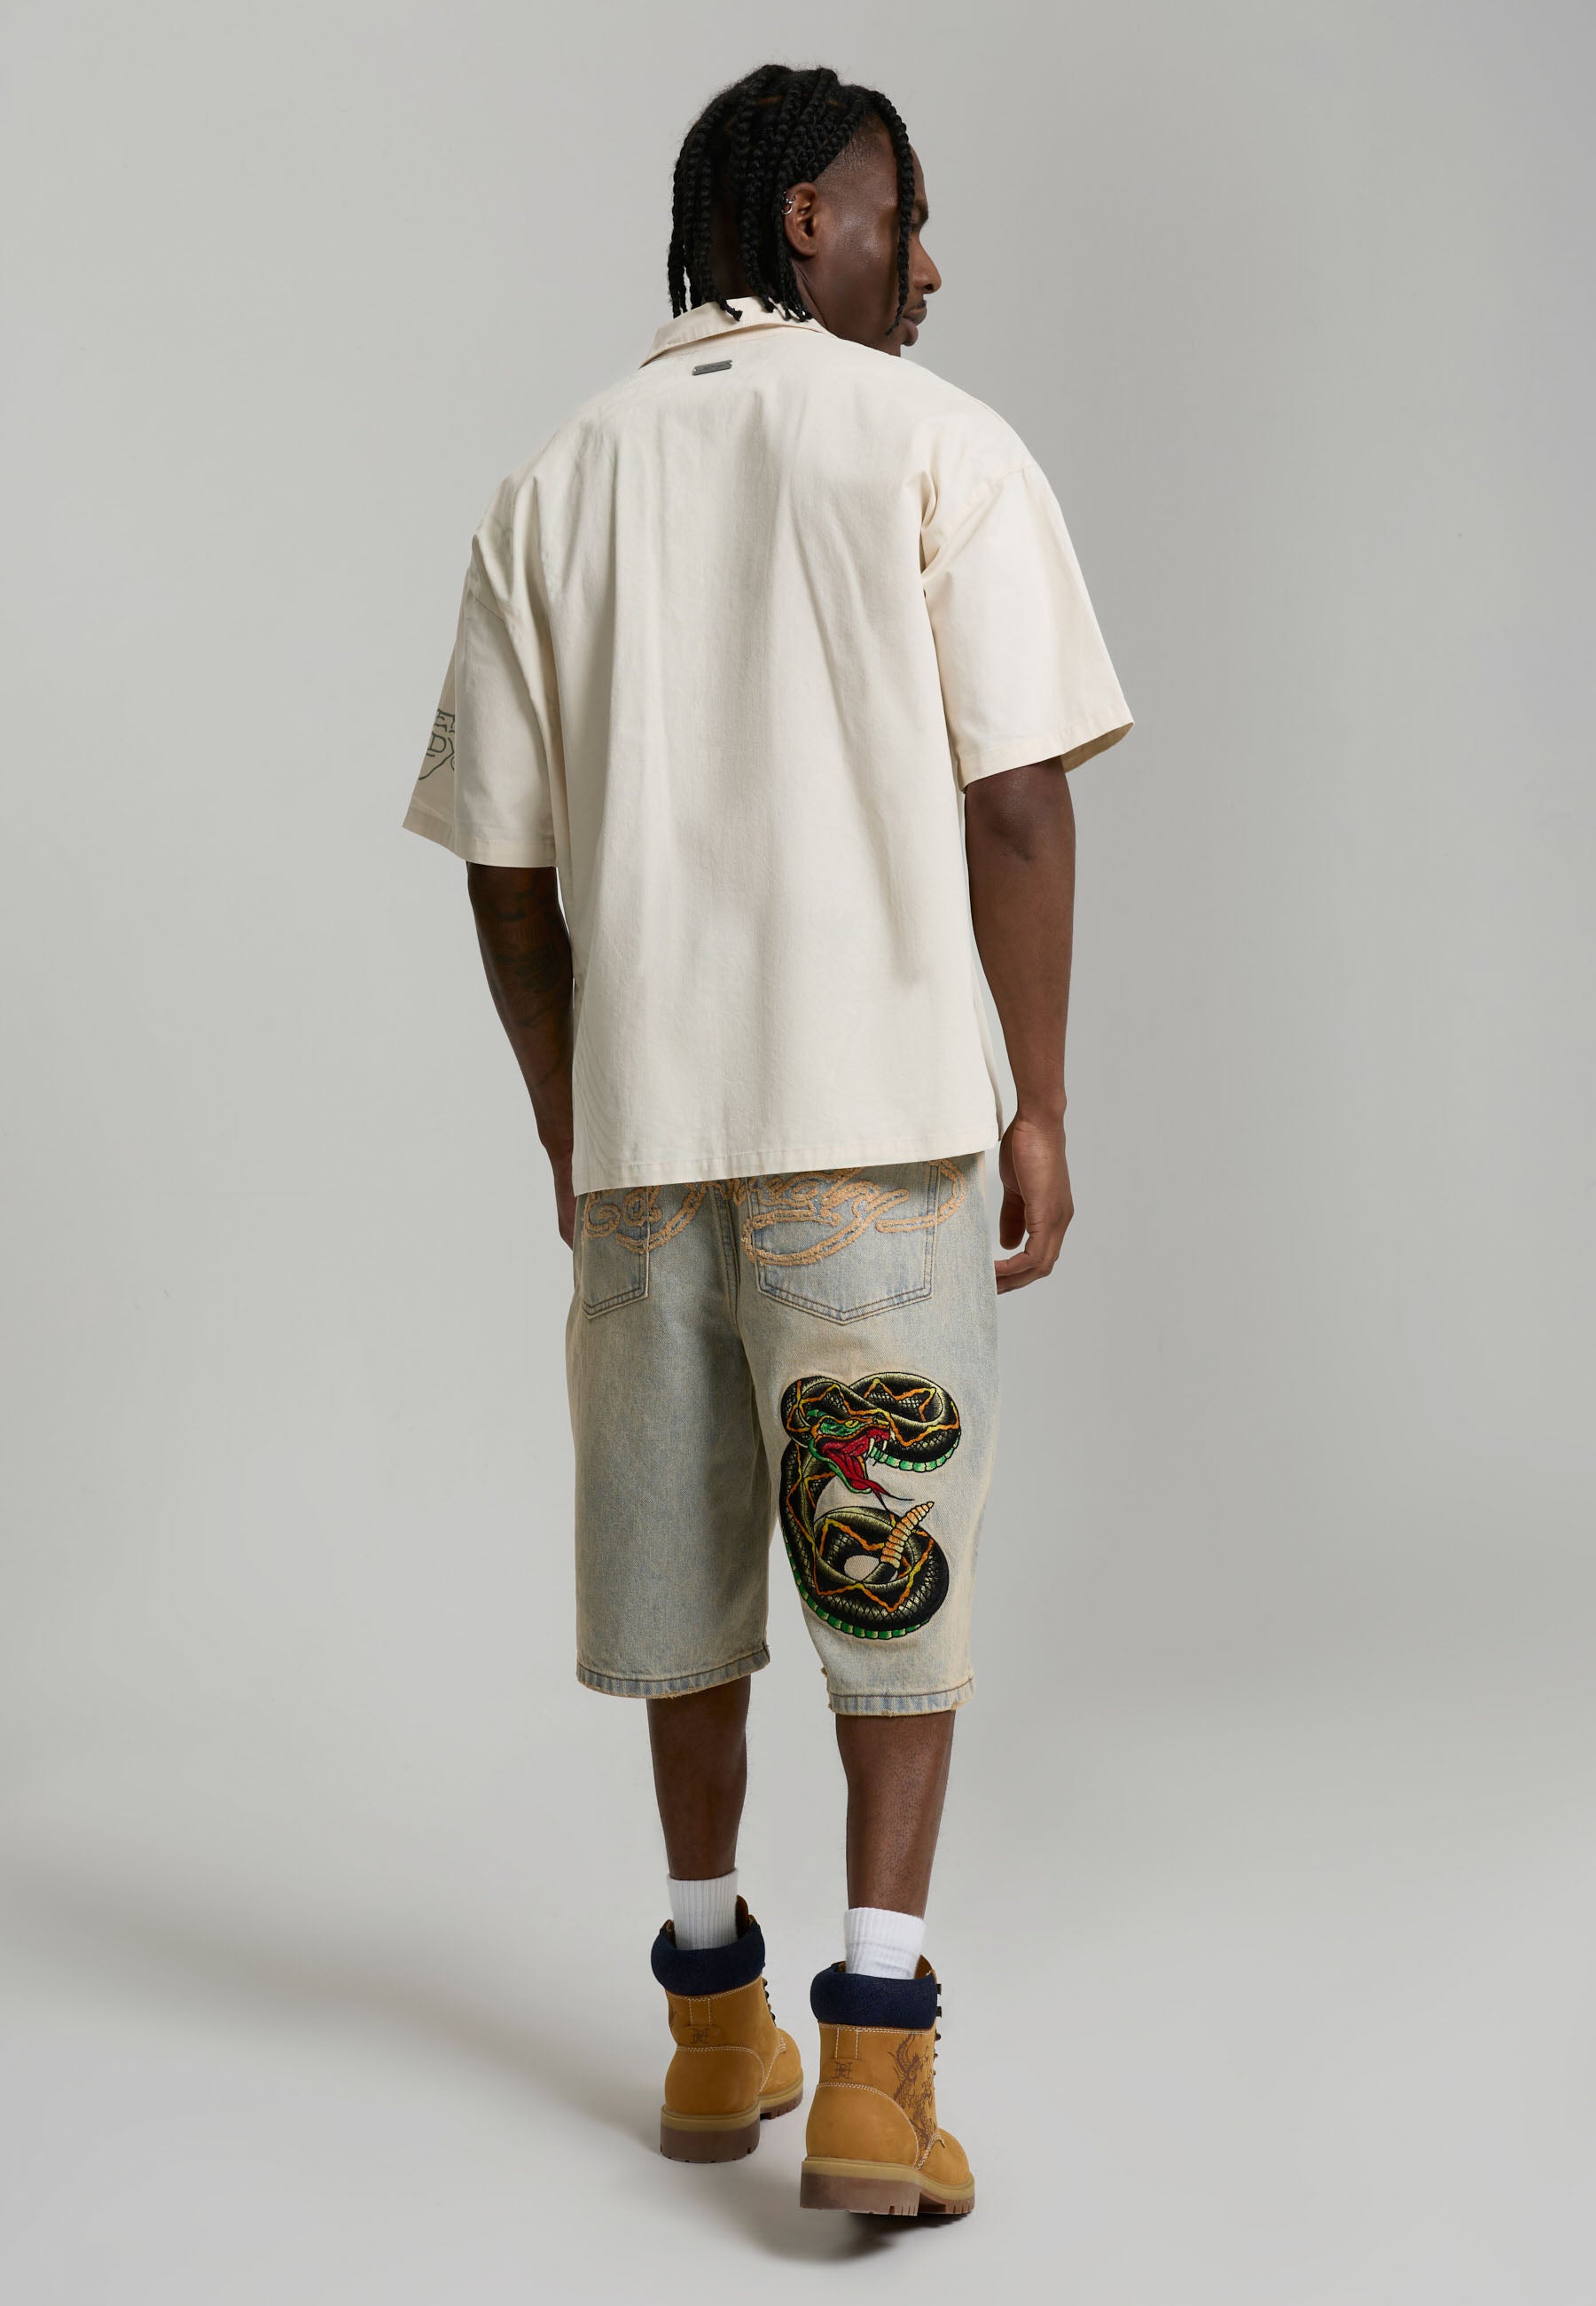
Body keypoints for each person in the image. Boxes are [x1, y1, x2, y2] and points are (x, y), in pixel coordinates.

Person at [401, 61, 1130, 2221]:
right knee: (889, 1577)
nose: (930, 262)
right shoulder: (932, 442)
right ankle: (879, 2069)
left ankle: (715, 2023)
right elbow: (1017, 800)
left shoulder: (553, 486)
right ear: (810, 218)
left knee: (683, 1581)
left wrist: (569, 1118)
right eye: (905, 215)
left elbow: (504, 874)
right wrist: (1041, 1096)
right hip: (871, 1137)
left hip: (647, 1153)